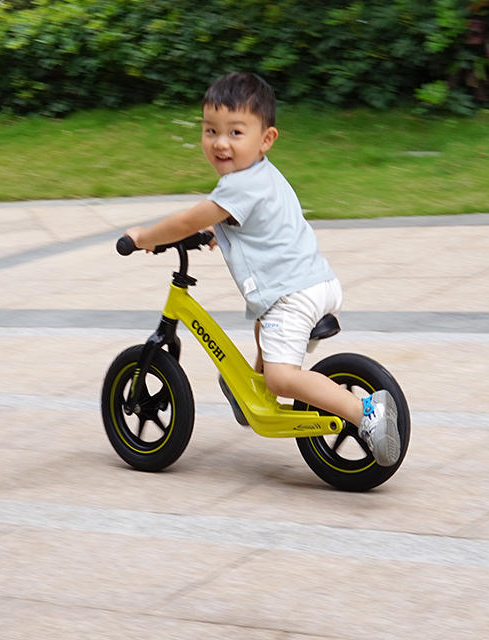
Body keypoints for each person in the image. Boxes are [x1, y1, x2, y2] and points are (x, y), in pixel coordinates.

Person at [125, 72, 402, 465]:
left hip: (293, 295)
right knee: (262, 326)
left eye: (236, 132)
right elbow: (244, 222)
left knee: (282, 376)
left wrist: (145, 236)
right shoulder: (261, 177)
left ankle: (365, 414)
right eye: (211, 130)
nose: (221, 142)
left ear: (265, 139)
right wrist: (215, 233)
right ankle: (250, 392)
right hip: (316, 283)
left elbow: (192, 217)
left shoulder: (239, 187)